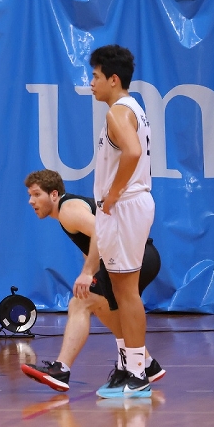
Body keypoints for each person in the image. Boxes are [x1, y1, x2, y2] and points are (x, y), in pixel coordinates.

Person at [20, 168, 164, 392]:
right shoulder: (69, 210)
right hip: (138, 256)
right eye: (30, 195)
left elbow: (101, 231)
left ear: (54, 194)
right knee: (103, 306)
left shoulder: (68, 211)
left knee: (81, 303)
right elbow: (94, 249)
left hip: (134, 256)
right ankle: (145, 362)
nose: (31, 201)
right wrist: (90, 273)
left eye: (37, 194)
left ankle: (61, 369)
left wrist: (87, 273)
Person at [75, 44, 157, 399]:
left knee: (126, 292)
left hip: (124, 206)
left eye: (95, 76)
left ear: (113, 79)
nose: (91, 83)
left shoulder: (118, 112)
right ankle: (128, 367)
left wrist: (113, 193)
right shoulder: (132, 108)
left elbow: (133, 152)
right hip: (128, 206)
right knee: (117, 291)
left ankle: (138, 373)